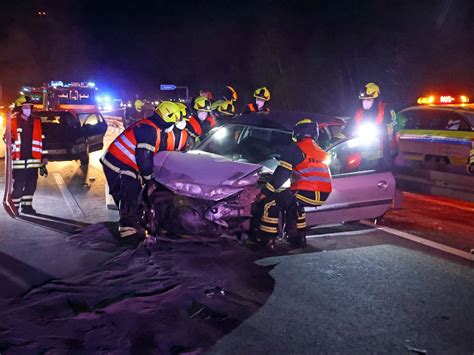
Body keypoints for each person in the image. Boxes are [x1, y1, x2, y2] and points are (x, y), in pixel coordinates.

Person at [100, 101, 184, 241]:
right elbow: (144, 158)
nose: (174, 125)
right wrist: (150, 180)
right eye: (174, 120)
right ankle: (128, 232)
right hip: (118, 164)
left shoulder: (150, 126)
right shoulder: (149, 130)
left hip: (123, 163)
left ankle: (133, 224)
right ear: (168, 118)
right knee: (130, 193)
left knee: (133, 193)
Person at [256, 119, 332, 247]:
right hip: (323, 194)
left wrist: (265, 192)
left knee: (270, 203)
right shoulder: (320, 151)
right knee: (295, 204)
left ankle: (267, 241)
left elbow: (281, 174)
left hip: (306, 191)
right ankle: (298, 238)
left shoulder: (295, 148)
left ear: (297, 132)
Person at [9, 96, 47, 214]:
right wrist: (9, 140)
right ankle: (14, 207)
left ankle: (27, 207)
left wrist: (44, 158)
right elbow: (7, 138)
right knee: (19, 185)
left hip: (34, 160)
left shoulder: (36, 121)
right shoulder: (13, 121)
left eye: (29, 107)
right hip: (19, 160)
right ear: (20, 108)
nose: (28, 109)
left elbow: (42, 140)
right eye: (25, 107)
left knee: (31, 185)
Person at [343, 82, 396, 167]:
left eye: (368, 100)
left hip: (382, 154)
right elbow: (350, 125)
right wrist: (343, 134)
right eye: (364, 100)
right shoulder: (359, 112)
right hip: (363, 153)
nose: (365, 102)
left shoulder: (386, 110)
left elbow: (393, 125)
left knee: (384, 172)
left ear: (376, 100)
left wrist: (382, 130)